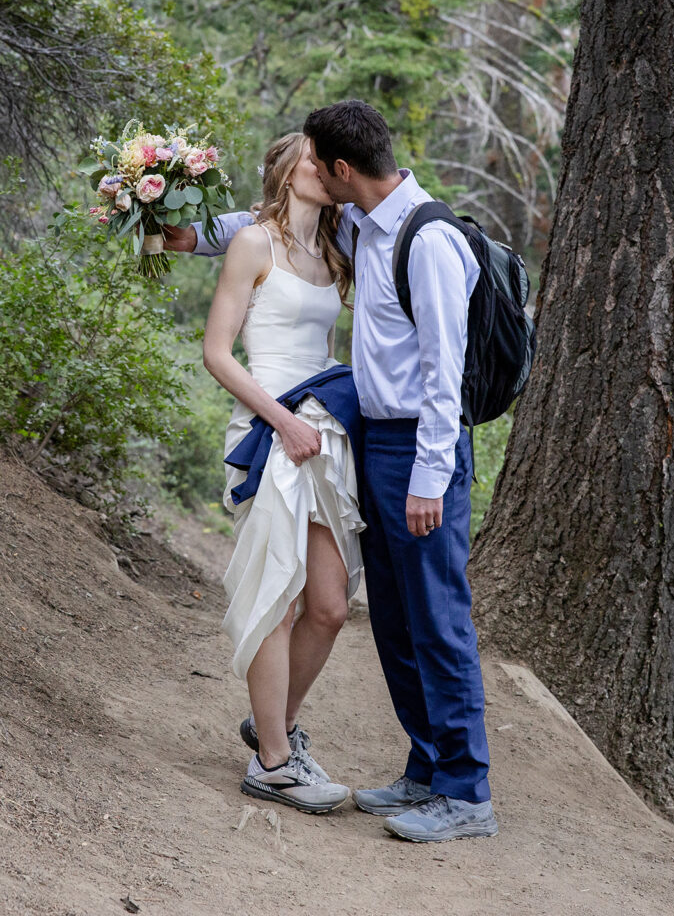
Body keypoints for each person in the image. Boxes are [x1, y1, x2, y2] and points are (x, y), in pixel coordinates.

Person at [165, 101, 497, 843]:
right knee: (350, 606)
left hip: (382, 440)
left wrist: (426, 475)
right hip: (316, 428)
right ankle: (383, 767)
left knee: (381, 608)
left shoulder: (392, 238)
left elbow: (445, 372)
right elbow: (252, 230)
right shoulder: (316, 232)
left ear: (342, 172)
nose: (316, 169)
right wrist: (184, 233)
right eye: (304, 160)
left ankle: (458, 787)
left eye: (322, 161)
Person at [200, 132, 365, 814]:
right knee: (277, 593)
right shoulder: (252, 244)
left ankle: (275, 725)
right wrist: (282, 421)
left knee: (328, 605)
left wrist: (317, 424)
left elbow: (323, 348)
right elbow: (218, 353)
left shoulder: (333, 251)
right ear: (288, 169)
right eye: (313, 157)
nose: (325, 168)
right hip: (270, 430)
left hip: (321, 432)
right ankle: (271, 763)